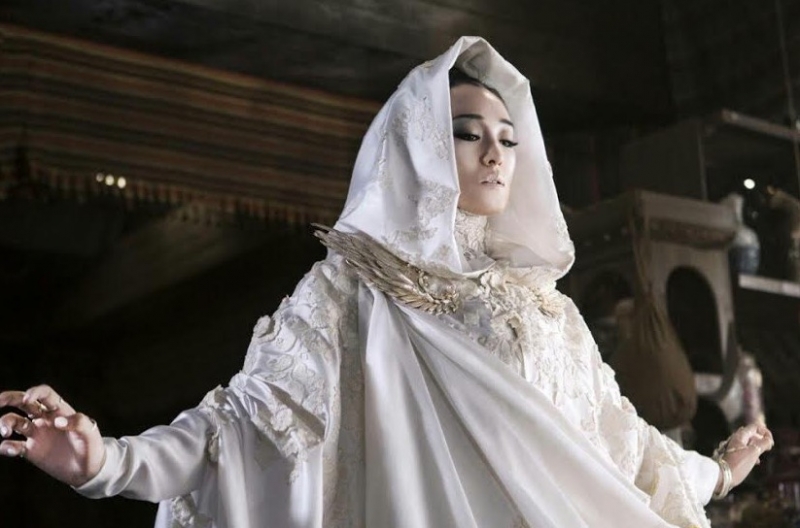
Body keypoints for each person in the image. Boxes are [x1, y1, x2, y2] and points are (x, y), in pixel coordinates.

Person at [0, 36, 774, 528]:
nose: (494, 153)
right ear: (419, 148)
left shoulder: (548, 310)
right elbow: (242, 429)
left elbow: (618, 441)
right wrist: (105, 463)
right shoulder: (352, 291)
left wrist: (715, 471)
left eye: (508, 138)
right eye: (466, 133)